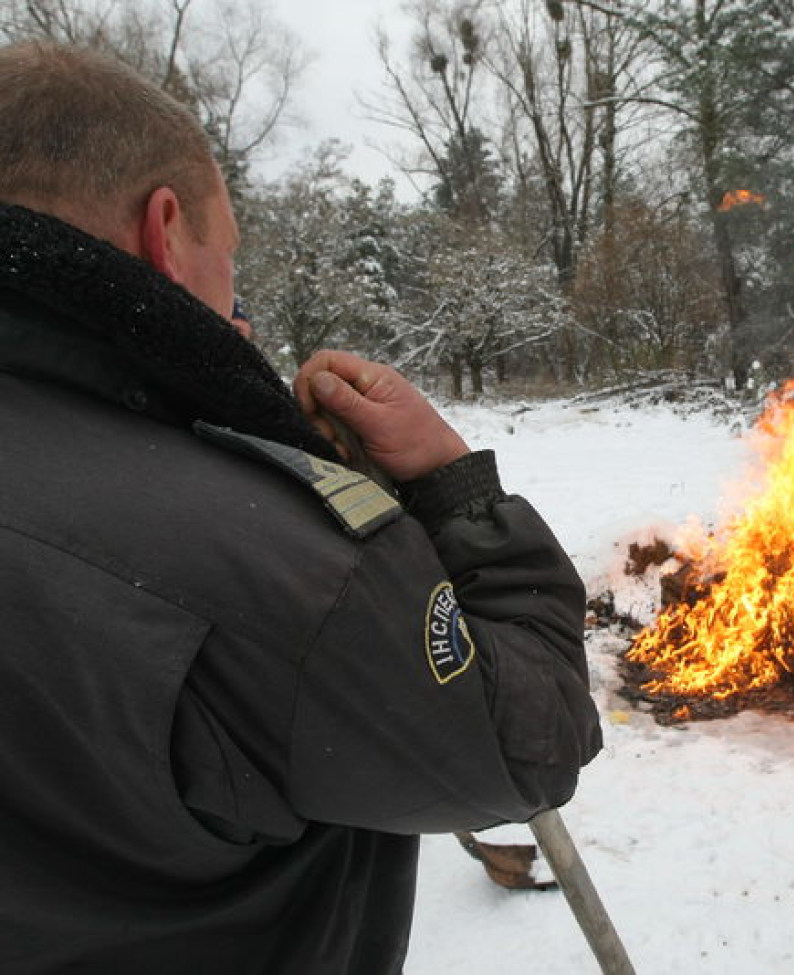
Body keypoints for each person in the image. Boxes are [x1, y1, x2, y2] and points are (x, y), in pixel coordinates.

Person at [0, 42, 602, 974]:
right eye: (226, 255)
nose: (236, 301)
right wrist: (450, 482)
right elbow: (530, 744)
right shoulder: (270, 565)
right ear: (165, 233)